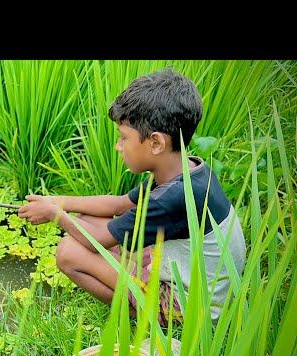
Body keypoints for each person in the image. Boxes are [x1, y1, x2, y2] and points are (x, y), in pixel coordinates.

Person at [18, 67, 246, 326]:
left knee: (69, 251)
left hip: (192, 308)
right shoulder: (185, 171)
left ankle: (145, 317)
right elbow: (118, 204)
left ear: (156, 143)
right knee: (87, 219)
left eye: (124, 137)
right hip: (194, 276)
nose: (118, 146)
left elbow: (97, 242)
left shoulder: (171, 199)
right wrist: (58, 202)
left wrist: (54, 215)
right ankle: (139, 292)